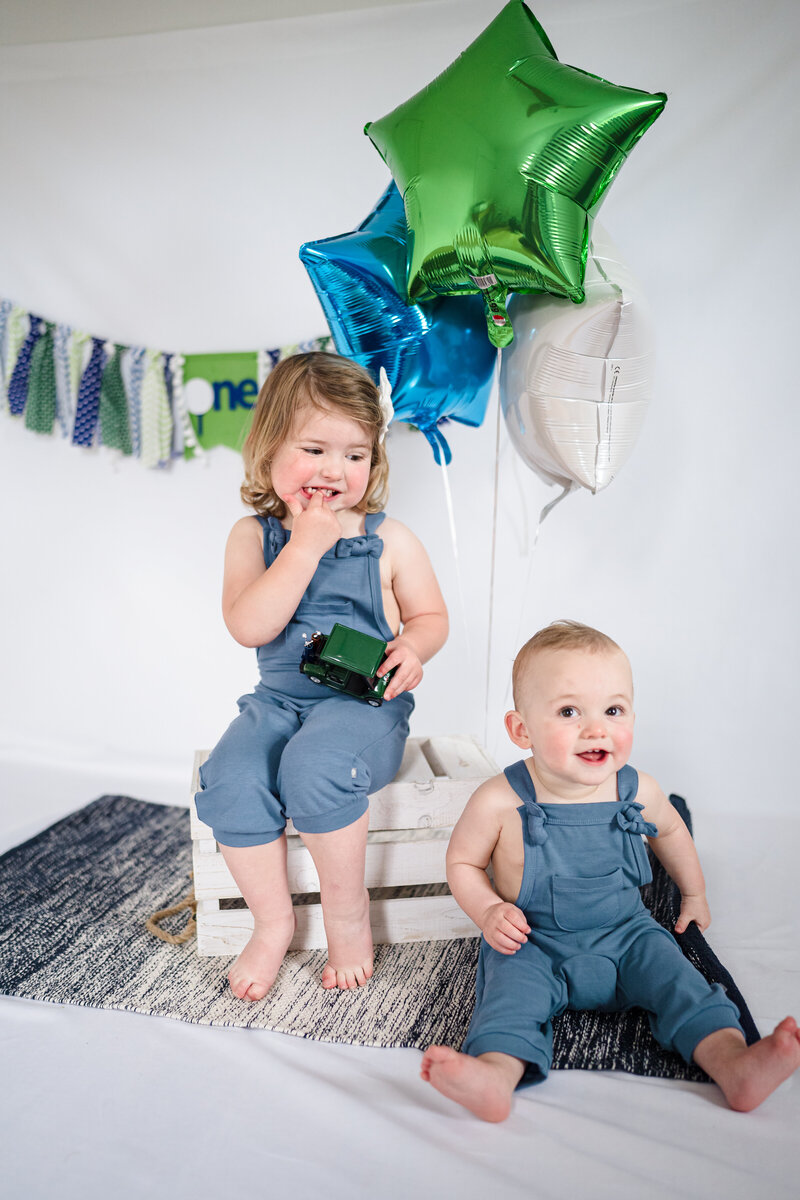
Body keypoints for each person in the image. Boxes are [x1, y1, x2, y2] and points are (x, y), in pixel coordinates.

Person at [421, 620, 800, 1120]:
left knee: (681, 982)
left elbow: (671, 834)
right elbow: (463, 862)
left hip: (628, 934)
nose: (596, 728)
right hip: (534, 941)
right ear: (521, 729)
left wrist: (694, 894)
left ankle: (732, 1063)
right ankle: (496, 1072)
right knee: (509, 998)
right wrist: (489, 909)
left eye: (613, 710)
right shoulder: (498, 799)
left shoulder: (636, 789)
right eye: (569, 711)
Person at [196, 352, 448, 1000]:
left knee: (313, 765)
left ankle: (347, 916)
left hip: (362, 707)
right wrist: (306, 543)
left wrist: (414, 646)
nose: (336, 470)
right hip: (278, 701)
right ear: (268, 447)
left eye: (355, 454)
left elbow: (430, 615)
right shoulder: (252, 538)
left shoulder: (389, 540)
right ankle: (273, 922)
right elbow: (251, 625)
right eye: (315, 448)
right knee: (231, 774)